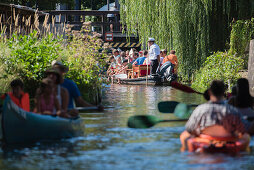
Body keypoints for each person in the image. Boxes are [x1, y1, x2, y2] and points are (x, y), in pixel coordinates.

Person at [180, 80, 250, 151]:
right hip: (228, 144)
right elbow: (244, 129)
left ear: (209, 92)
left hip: (204, 144)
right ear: (223, 93)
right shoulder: (233, 111)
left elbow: (189, 128)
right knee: (246, 136)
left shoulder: (199, 110)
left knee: (185, 134)